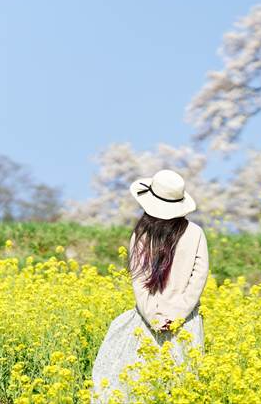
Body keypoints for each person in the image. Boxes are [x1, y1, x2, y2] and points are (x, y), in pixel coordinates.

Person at [91, 169, 209, 401]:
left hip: (147, 322)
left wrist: (155, 318)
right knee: (178, 388)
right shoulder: (196, 233)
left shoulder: (142, 234)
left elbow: (140, 282)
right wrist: (177, 315)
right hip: (185, 324)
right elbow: (198, 279)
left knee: (131, 386)